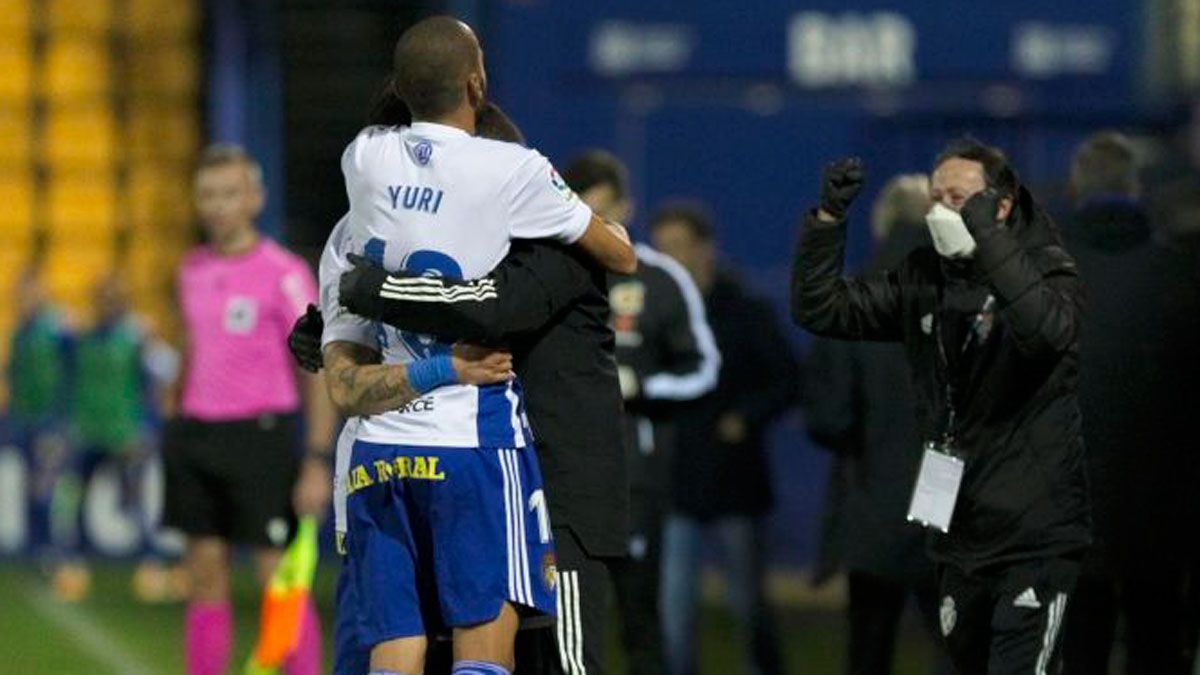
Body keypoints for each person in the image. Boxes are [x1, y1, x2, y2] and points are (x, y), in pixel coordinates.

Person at [321, 16, 635, 675]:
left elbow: (482, 308)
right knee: (479, 645)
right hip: (476, 446)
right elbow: (611, 255)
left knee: (409, 648)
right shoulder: (514, 183)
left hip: (438, 463)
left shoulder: (361, 197)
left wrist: (369, 293)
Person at [791, 139, 1090, 675]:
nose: (942, 209)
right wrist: (828, 220)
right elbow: (824, 310)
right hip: (959, 532)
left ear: (1000, 206)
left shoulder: (1048, 268)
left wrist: (989, 240)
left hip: (1031, 531)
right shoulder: (925, 276)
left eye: (960, 197)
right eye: (936, 197)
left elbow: (1046, 334)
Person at [163, 144, 336, 675]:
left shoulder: (284, 273)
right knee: (205, 579)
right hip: (196, 438)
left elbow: (318, 370)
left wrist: (315, 458)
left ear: (254, 198)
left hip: (260, 438)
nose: (218, 205)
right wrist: (174, 402)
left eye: (230, 193)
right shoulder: (190, 270)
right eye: (208, 194)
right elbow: (192, 347)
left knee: (277, 581)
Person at [562, 152, 721, 675]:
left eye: (605, 211)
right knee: (561, 623)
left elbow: (703, 368)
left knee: (638, 614)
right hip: (558, 476)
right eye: (584, 211)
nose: (596, 224)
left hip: (634, 474)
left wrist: (642, 386)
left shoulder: (659, 278)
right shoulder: (547, 276)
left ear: (626, 206)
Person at [1058, 132, 1200, 675]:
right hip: (1163, 506)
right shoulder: (1177, 275)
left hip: (1069, 509)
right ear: (1136, 189)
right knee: (1157, 641)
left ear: (1075, 189)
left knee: (1081, 647)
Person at [803, 176, 952, 675]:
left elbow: (828, 418)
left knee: (869, 645)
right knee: (956, 645)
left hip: (870, 496)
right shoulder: (967, 301)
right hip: (948, 498)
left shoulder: (853, 298)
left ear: (881, 222)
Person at [649, 203, 796, 675]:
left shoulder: (745, 310)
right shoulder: (652, 317)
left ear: (705, 249)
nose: (671, 259)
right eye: (662, 249)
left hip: (736, 483)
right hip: (675, 484)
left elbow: (788, 379)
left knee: (749, 606)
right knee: (673, 612)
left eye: (679, 247)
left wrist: (744, 418)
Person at [57, 273, 180, 603]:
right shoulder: (80, 337)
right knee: (75, 501)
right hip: (87, 431)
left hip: (125, 433)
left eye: (113, 297)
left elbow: (167, 372)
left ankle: (150, 565)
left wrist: (148, 427)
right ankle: (74, 566)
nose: (107, 303)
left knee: (134, 502)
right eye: (102, 296)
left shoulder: (136, 339)